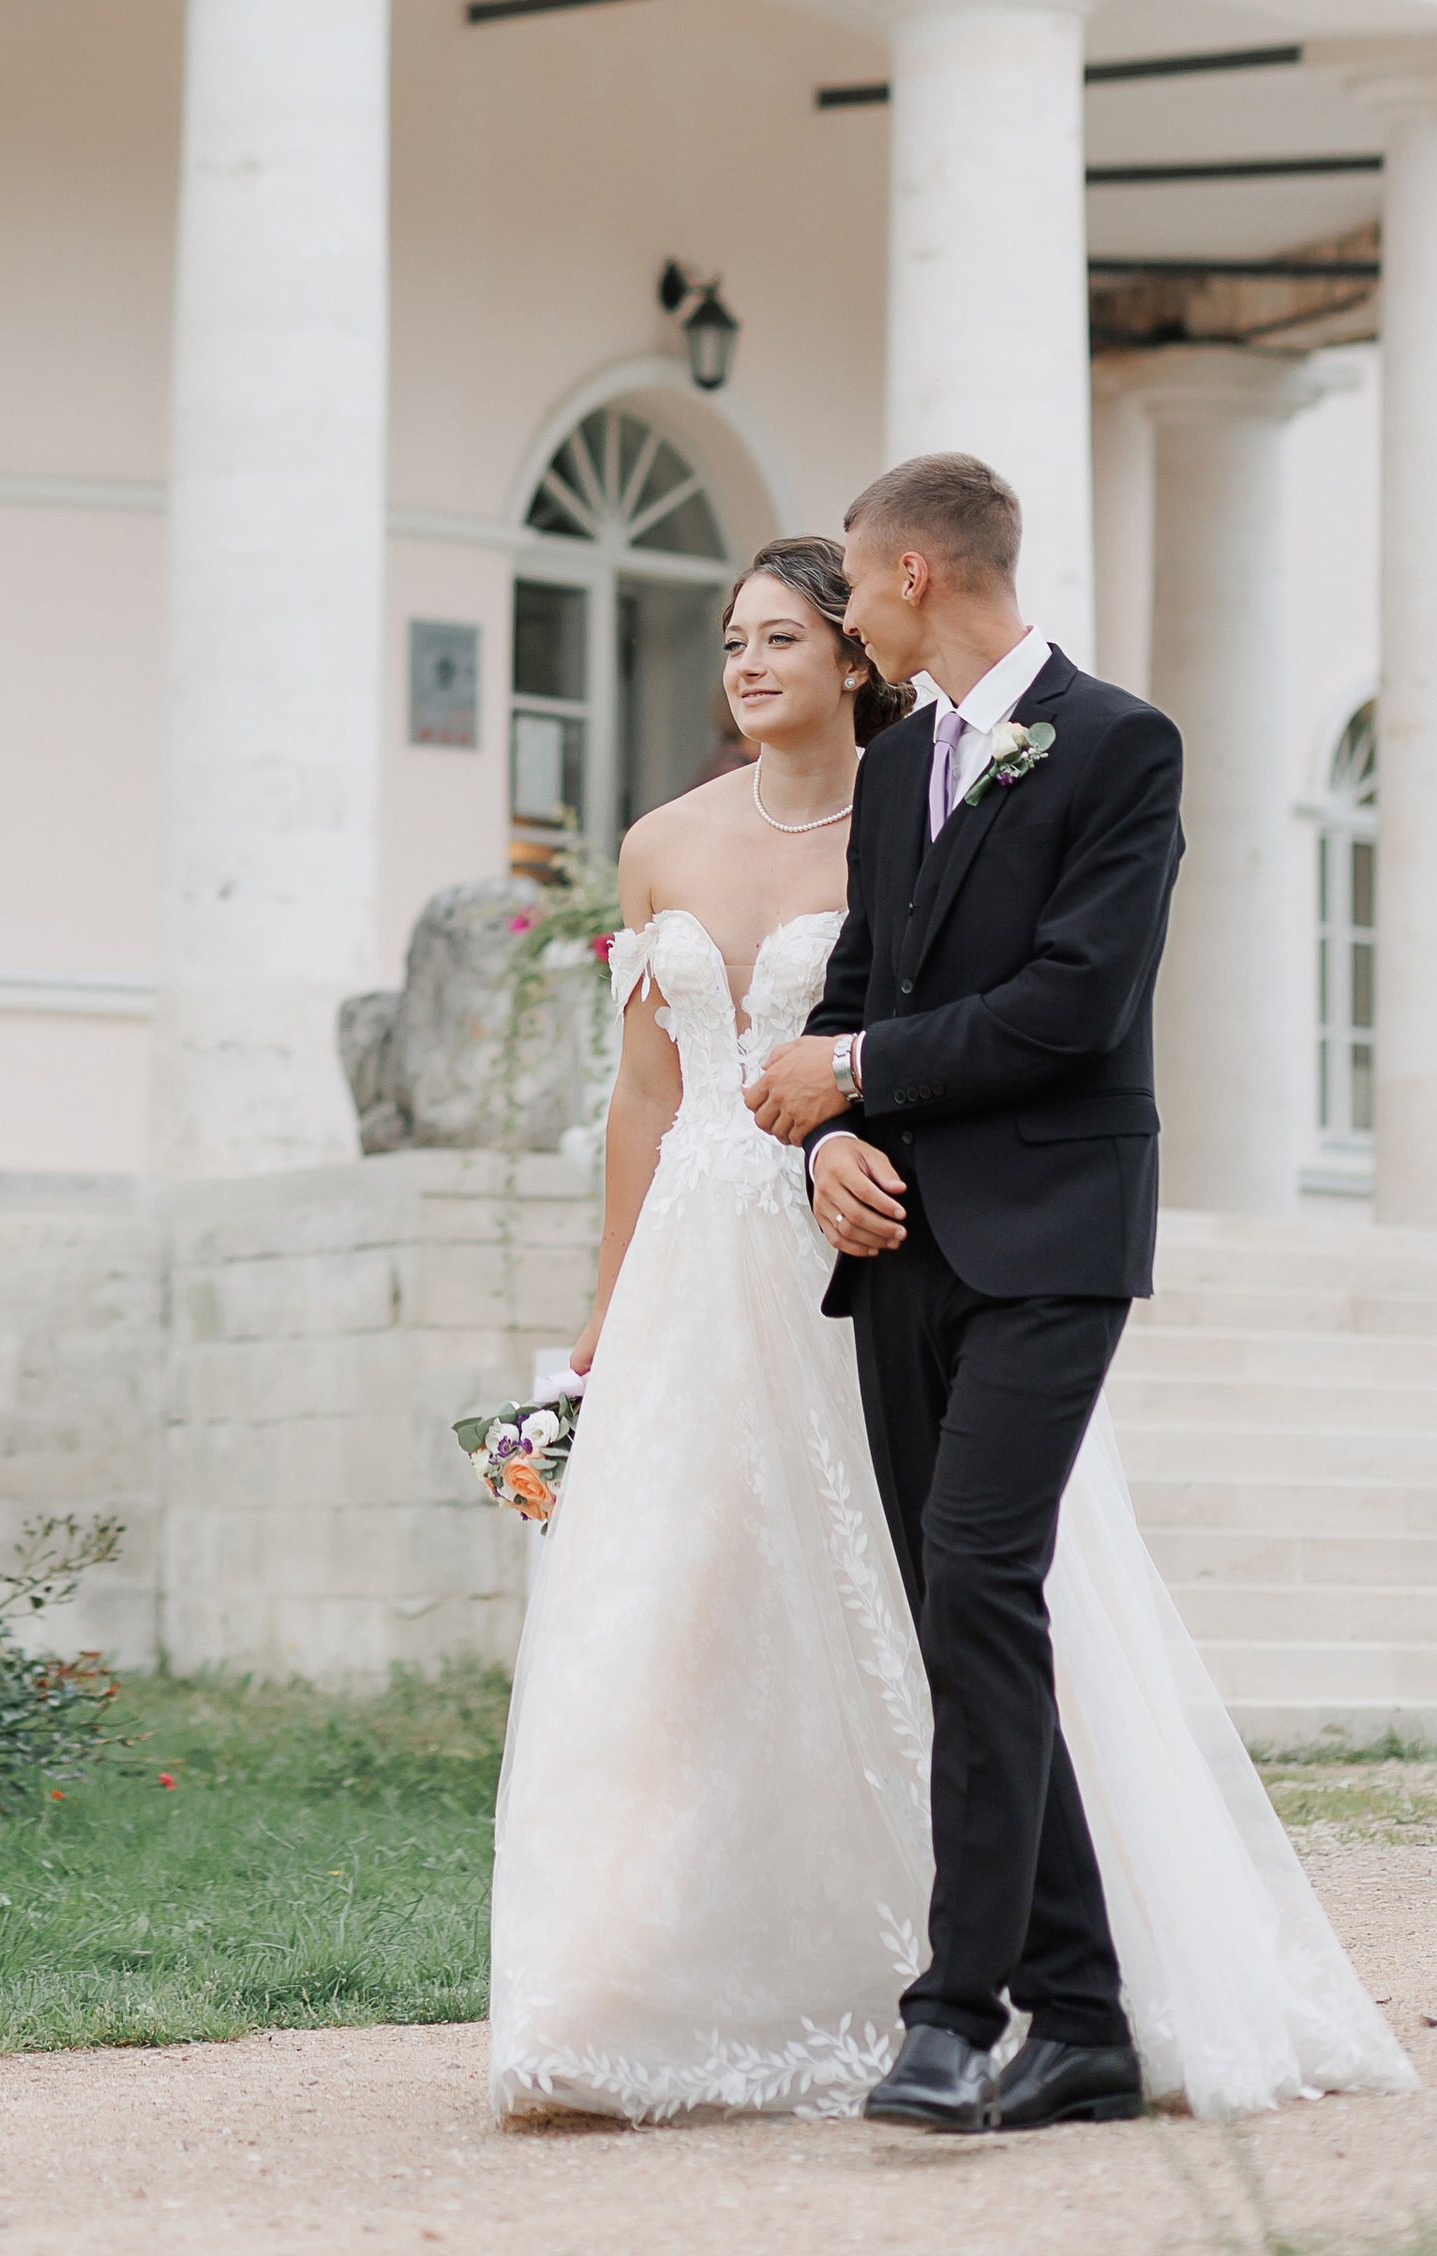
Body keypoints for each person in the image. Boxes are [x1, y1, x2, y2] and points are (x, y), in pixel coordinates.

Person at [487, 508, 1409, 2131]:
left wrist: (846, 1099)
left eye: (790, 624)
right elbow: (810, 1032)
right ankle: (681, 1981)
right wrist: (792, 1155)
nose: (755, 658)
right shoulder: (874, 795)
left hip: (993, 1238)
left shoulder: (1110, 746)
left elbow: (1052, 1005)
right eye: (735, 638)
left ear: (886, 603)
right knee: (750, 1615)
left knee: (969, 1592)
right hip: (799, 1233)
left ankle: (966, 2006)